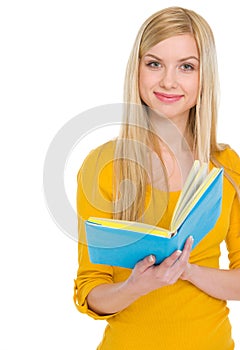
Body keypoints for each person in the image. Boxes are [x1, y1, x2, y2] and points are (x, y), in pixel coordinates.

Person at [74, 6, 240, 349]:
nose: (168, 80)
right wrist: (139, 284)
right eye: (154, 64)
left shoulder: (227, 165)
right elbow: (90, 291)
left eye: (186, 67)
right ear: (137, 70)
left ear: (203, 76)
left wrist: (186, 269)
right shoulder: (103, 166)